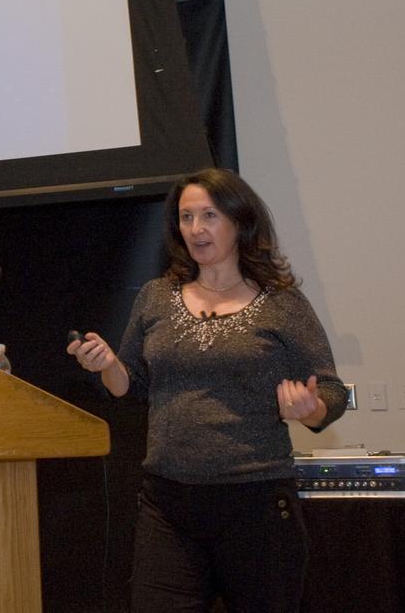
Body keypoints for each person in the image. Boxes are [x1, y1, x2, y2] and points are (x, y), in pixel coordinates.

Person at [67, 167, 345, 613]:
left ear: (239, 221)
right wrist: (107, 365)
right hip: (168, 506)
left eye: (210, 216)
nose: (196, 229)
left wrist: (310, 409)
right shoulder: (156, 296)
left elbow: (331, 391)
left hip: (255, 506)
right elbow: (131, 385)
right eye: (186, 217)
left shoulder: (282, 303)